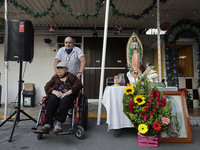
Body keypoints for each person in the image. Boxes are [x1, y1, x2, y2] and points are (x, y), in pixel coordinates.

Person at [40, 62, 83, 134]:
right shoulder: (55, 77)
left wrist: (68, 92)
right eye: (58, 68)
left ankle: (59, 124)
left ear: (66, 70)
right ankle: (48, 124)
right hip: (57, 95)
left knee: (65, 100)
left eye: (61, 68)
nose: (59, 70)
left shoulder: (72, 77)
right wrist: (55, 92)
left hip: (68, 95)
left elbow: (79, 85)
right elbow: (47, 87)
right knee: (52, 99)